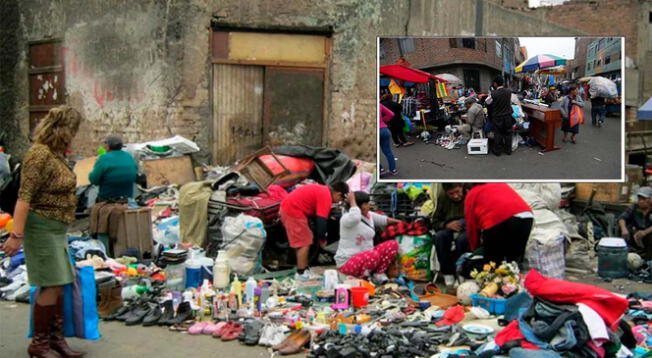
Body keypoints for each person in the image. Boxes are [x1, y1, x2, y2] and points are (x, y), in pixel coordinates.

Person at [1, 106, 86, 358]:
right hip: (41, 228)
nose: (74, 136)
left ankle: (55, 339)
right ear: (63, 130)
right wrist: (16, 236)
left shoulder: (55, 155)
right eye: (73, 130)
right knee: (51, 284)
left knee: (59, 283)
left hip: (57, 230)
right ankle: (39, 344)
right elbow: (24, 198)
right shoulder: (39, 154)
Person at [280, 182, 349, 280]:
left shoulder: (322, 190)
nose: (338, 202)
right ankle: (301, 273)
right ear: (338, 194)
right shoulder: (326, 196)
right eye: (340, 199)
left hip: (290, 208)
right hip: (293, 211)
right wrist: (323, 239)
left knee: (305, 239)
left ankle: (304, 268)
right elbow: (321, 221)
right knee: (304, 242)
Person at [335, 192, 402, 282]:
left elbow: (384, 220)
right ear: (357, 206)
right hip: (347, 262)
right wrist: (352, 201)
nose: (368, 206)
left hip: (367, 258)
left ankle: (379, 274)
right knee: (373, 254)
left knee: (392, 245)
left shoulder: (368, 216)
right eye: (365, 204)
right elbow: (355, 217)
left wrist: (402, 223)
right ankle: (365, 278)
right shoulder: (347, 219)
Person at [464, 183, 533, 265]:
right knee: (513, 261)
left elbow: (471, 226)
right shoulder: (499, 184)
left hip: (500, 219)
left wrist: (475, 249)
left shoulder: (472, 193)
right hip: (526, 217)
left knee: (493, 263)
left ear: (467, 190)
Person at [431, 183, 469, 288]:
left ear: (462, 187)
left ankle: (461, 274)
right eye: (451, 194)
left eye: (457, 192)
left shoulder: (470, 195)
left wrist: (464, 223)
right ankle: (448, 274)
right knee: (440, 237)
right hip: (448, 227)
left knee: (462, 240)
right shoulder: (442, 198)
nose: (455, 196)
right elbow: (435, 222)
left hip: (467, 227)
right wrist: (446, 225)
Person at [88, 135, 138, 202]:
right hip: (127, 200)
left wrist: (90, 174)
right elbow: (135, 174)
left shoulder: (104, 158)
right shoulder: (129, 156)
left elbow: (94, 180)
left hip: (107, 200)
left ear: (108, 146)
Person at [618, 187, 652, 264]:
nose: (641, 201)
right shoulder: (634, 207)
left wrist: (645, 232)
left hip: (648, 234)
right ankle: (629, 254)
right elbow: (622, 218)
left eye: (644, 199)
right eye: (639, 198)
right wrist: (624, 229)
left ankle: (648, 261)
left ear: (650, 199)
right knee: (625, 229)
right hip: (636, 234)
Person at [485, 76, 514, 156]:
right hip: (508, 117)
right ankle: (508, 151)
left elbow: (487, 102)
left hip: (498, 117)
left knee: (498, 134)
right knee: (508, 133)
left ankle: (497, 151)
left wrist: (490, 94)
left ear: (495, 83)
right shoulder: (509, 91)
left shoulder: (494, 93)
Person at [379, 103, 398, 176]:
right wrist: (383, 121)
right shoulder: (379, 105)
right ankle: (393, 170)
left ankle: (380, 170)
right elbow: (391, 114)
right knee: (388, 152)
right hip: (384, 130)